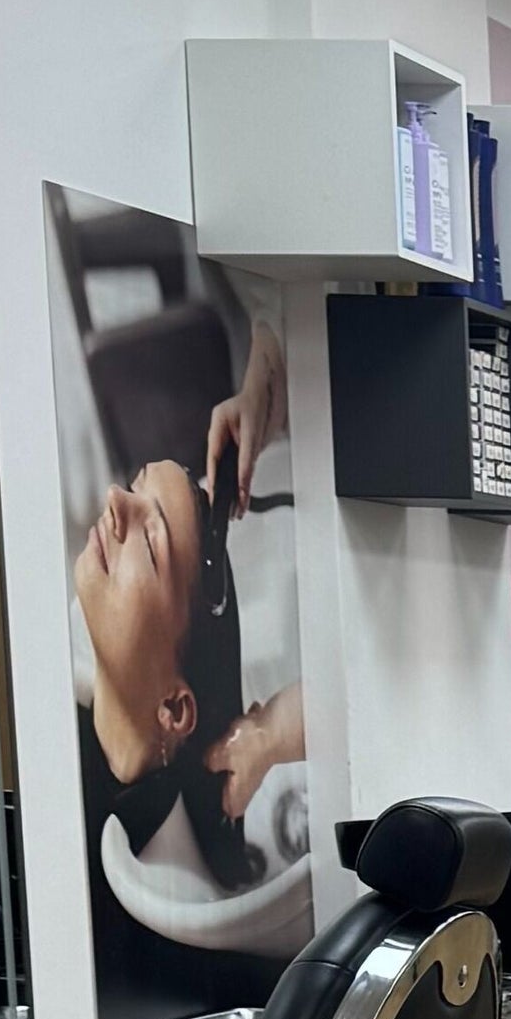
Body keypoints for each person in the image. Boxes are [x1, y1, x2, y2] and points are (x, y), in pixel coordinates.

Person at [70, 321, 301, 891]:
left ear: (176, 709)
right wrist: (266, 382)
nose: (114, 500)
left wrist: (276, 731)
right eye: (135, 486)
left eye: (148, 543)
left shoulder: (181, 887)